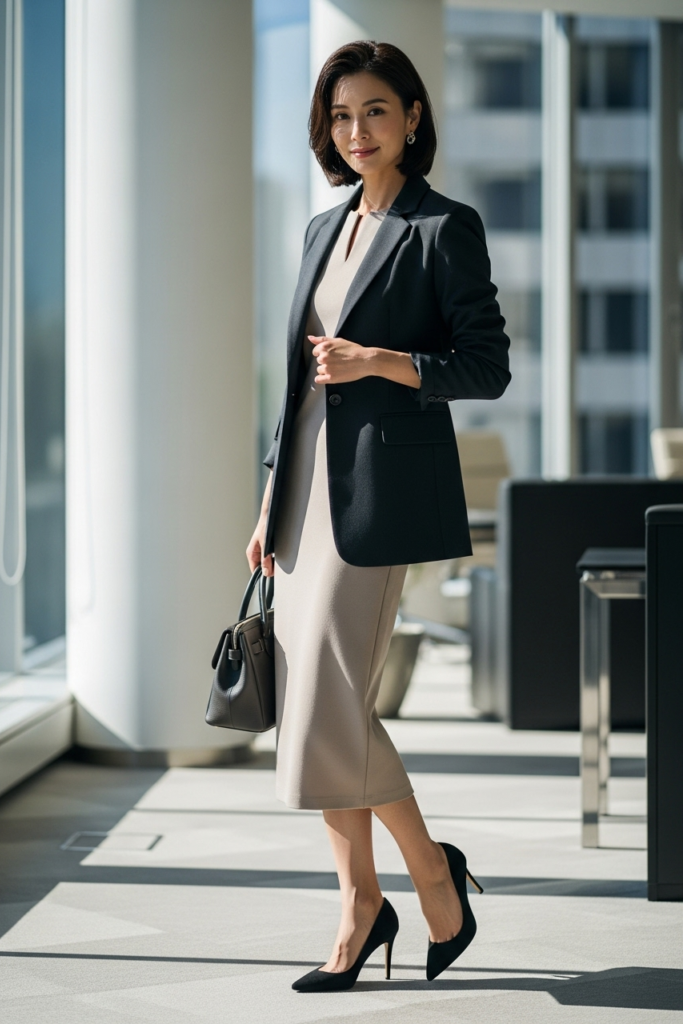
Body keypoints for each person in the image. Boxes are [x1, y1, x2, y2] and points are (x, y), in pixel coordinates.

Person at [246, 39, 510, 992]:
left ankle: (412, 884)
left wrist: (380, 362)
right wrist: (270, 496)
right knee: (325, 710)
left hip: (380, 497)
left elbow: (485, 367)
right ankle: (385, 894)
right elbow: (296, 388)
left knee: (325, 705)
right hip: (304, 495)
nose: (356, 131)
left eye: (375, 113)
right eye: (341, 115)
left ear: (410, 118)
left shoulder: (445, 227)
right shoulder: (323, 229)